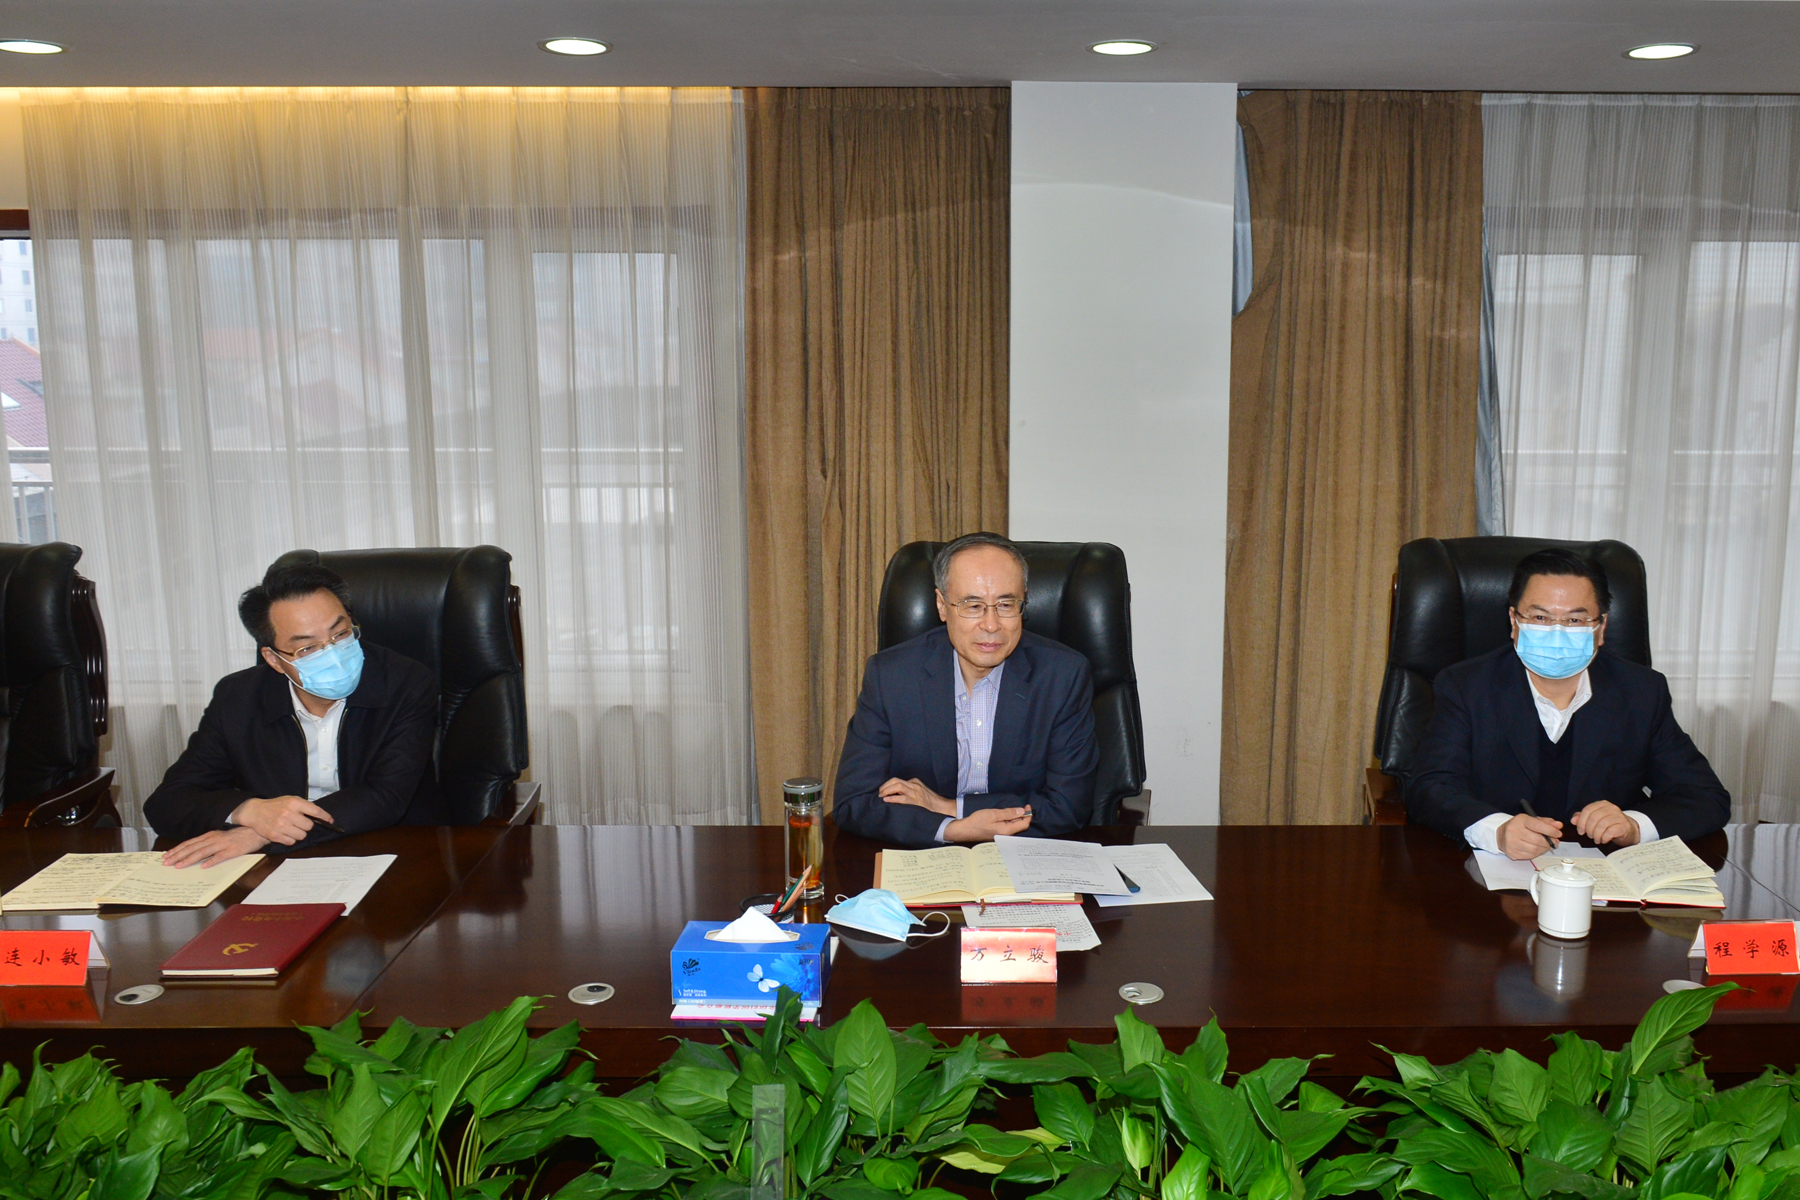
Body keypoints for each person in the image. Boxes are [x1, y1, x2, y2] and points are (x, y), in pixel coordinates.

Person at [1407, 548, 1730, 860]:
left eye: (1575, 620)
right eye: (1540, 617)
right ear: (1514, 621)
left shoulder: (1641, 692)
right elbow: (1430, 787)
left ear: (1601, 628)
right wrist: (1496, 830)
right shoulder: (1466, 686)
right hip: (1494, 867)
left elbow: (1705, 796)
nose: (1557, 633)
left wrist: (1634, 826)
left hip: (1604, 873)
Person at [145, 561, 439, 868]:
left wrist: (263, 834)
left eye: (340, 634)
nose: (332, 653)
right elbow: (168, 802)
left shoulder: (406, 683)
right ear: (274, 659)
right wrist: (250, 811)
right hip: (282, 867)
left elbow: (385, 796)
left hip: (394, 852)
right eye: (307, 648)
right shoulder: (238, 698)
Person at [832, 532, 1099, 848]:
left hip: (1027, 854)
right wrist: (952, 830)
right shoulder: (891, 676)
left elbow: (1069, 805)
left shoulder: (1063, 676)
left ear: (1024, 603)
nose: (991, 625)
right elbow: (854, 802)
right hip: (926, 854)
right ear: (942, 606)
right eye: (973, 606)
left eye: (1005, 604)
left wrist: (950, 808)